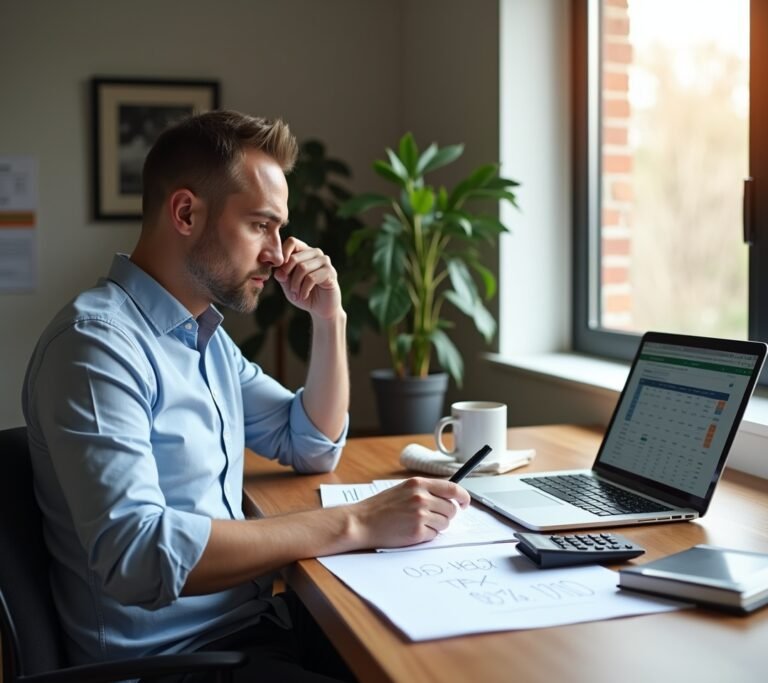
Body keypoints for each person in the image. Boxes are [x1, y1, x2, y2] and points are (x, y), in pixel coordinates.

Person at [22, 110, 470, 682]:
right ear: (185, 212)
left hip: (250, 630)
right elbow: (136, 555)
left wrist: (328, 318)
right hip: (175, 664)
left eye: (280, 230)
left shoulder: (204, 339)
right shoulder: (96, 347)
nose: (280, 254)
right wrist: (356, 524)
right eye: (261, 226)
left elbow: (309, 442)